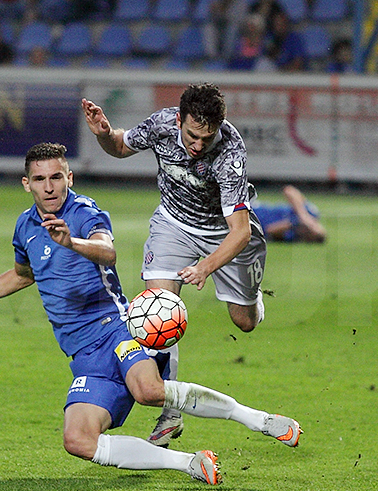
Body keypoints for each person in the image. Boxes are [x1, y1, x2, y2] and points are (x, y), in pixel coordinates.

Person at [0, 142, 302, 485]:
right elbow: (22, 275)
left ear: (70, 176)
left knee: (149, 391)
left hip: (116, 329)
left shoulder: (84, 212)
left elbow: (107, 251)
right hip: (83, 355)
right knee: (78, 441)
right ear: (26, 183)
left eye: (56, 177)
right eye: (39, 179)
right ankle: (189, 463)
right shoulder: (25, 227)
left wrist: (73, 242)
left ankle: (260, 420)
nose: (49, 187)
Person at [82, 83, 267, 447]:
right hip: (174, 224)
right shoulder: (161, 125)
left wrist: (206, 267)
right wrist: (105, 134)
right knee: (155, 310)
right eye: (192, 135)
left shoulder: (230, 154)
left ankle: (254, 294)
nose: (198, 145)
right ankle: (170, 413)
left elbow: (240, 232)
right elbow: (120, 146)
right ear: (179, 119)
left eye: (206, 137)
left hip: (222, 233)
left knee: (244, 322)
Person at [251, 185, 326, 243]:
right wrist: (303, 216)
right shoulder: (310, 212)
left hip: (253, 223)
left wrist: (293, 224)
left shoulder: (293, 235)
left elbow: (270, 230)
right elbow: (289, 190)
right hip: (257, 208)